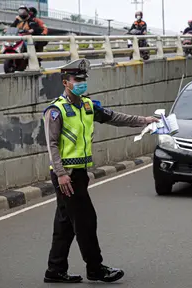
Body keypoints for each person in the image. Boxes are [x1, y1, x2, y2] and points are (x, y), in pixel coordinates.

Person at [42, 59, 159, 284]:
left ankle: (55, 270)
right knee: (86, 220)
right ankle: (95, 269)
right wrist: (61, 173)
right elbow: (52, 144)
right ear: (66, 82)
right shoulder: (56, 110)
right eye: (77, 80)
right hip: (66, 175)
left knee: (65, 222)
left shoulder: (87, 106)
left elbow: (115, 117)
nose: (82, 83)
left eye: (84, 79)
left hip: (79, 174)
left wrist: (144, 120)